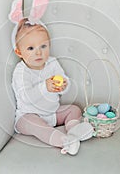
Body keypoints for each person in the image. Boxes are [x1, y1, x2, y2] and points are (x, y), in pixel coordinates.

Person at [11, 18, 94, 155]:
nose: (38, 53)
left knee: (74, 109)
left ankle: (74, 132)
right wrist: (45, 87)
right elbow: (26, 97)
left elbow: (64, 83)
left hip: (52, 113)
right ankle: (65, 142)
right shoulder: (21, 71)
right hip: (28, 115)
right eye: (31, 48)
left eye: (43, 46)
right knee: (37, 126)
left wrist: (64, 85)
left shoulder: (52, 63)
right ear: (19, 52)